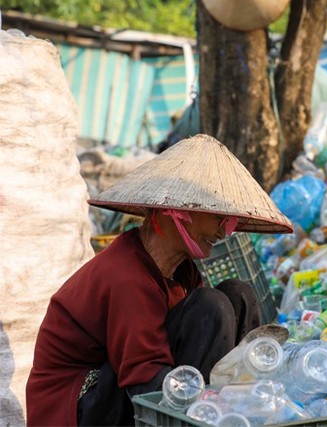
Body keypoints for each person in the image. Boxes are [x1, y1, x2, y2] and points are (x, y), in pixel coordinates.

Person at [25, 134, 293, 426]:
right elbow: (144, 377)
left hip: (123, 386)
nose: (223, 232)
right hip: (76, 408)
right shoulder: (126, 276)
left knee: (236, 295)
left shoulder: (182, 270)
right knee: (211, 307)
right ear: (174, 212)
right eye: (218, 218)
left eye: (227, 223)